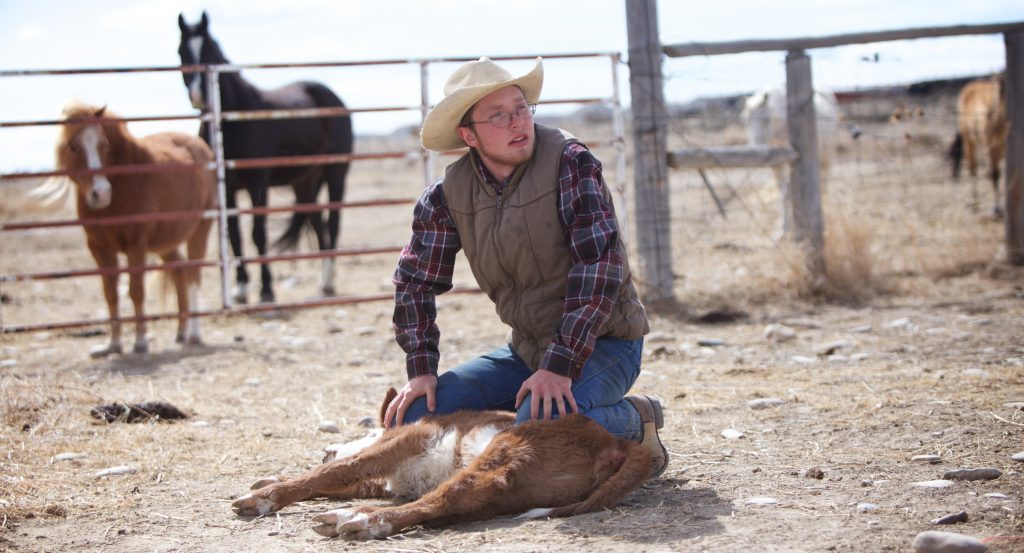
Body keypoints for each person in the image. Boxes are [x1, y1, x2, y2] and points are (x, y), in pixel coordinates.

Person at [385, 57, 667, 477]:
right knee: (414, 420)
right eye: (498, 116)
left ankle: (634, 419)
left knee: (539, 426)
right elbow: (414, 282)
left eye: (521, 108)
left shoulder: (571, 163)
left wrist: (559, 367)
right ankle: (520, 416)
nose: (517, 122)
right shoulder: (447, 194)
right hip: (527, 349)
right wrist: (422, 368)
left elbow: (598, 269)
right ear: (469, 135)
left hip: (605, 344)